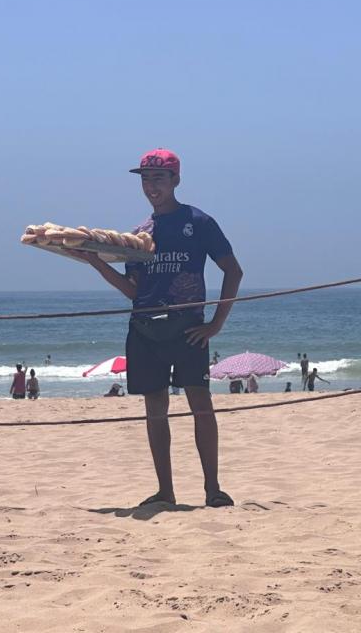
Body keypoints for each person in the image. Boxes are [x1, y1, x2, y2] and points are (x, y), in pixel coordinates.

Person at [66, 148, 243, 508]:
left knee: (201, 405)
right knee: (155, 410)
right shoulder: (138, 235)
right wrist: (97, 262)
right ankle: (166, 491)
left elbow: (233, 271)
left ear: (175, 179)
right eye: (145, 179)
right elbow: (134, 291)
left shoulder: (199, 221)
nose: (151, 186)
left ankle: (213, 489)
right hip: (144, 328)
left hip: (187, 326)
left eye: (158, 178)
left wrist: (215, 324)